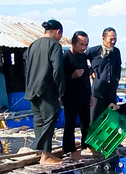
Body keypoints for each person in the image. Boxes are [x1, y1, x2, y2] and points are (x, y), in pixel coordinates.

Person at [24, 19, 66, 166]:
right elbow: (57, 70)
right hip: (46, 90)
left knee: (39, 121)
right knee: (50, 118)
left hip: (32, 90)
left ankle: (43, 153)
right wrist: (61, 90)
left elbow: (27, 68)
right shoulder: (54, 45)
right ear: (58, 32)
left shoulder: (33, 45)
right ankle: (45, 155)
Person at [62, 31, 92, 160]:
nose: (84, 48)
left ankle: (86, 146)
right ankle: (69, 149)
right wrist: (72, 76)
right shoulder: (65, 58)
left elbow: (86, 78)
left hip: (84, 94)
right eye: (81, 45)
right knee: (70, 123)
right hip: (70, 96)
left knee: (86, 122)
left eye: (86, 45)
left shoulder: (83, 57)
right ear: (73, 43)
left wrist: (90, 94)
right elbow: (59, 78)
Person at [87, 27, 122, 123]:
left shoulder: (116, 52)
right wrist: (90, 71)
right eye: (111, 39)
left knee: (110, 119)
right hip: (98, 91)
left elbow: (118, 66)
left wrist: (117, 78)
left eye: (115, 38)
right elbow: (81, 59)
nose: (113, 41)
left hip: (111, 91)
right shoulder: (94, 51)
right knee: (94, 119)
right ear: (103, 38)